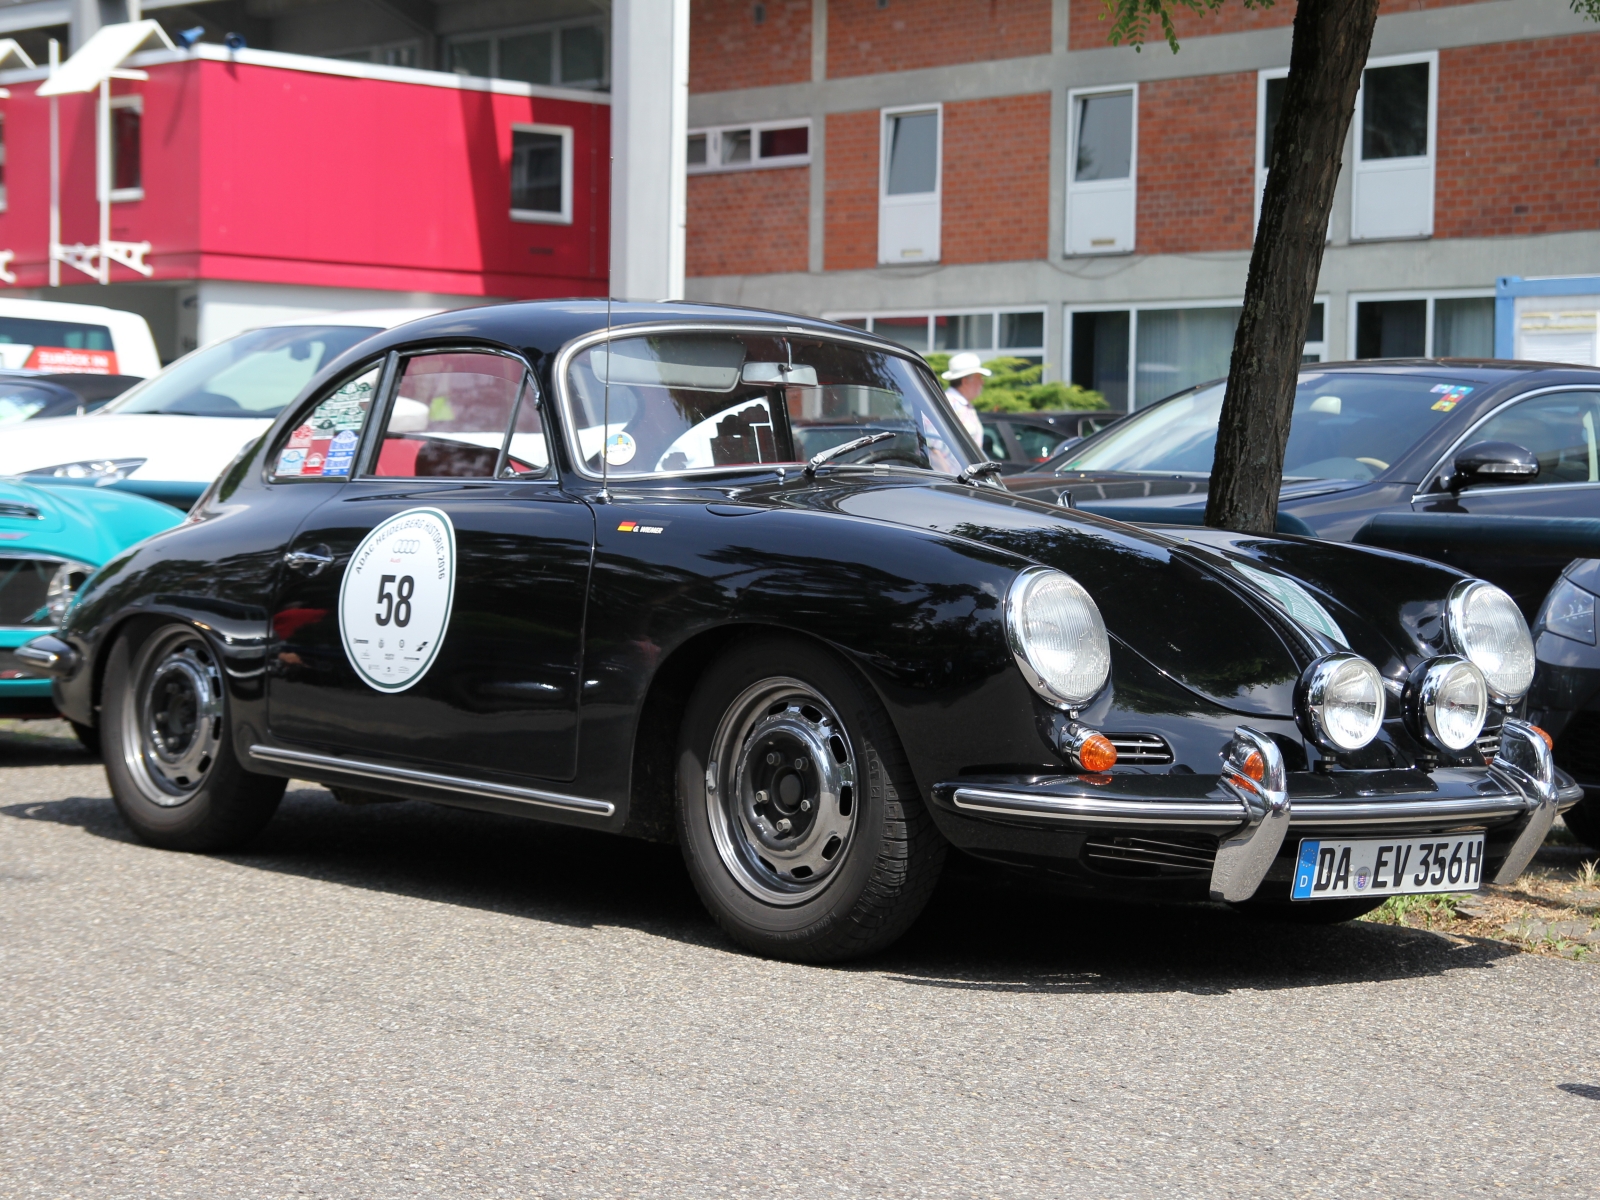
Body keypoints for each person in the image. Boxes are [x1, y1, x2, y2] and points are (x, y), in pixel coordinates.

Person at [940, 351, 988, 445]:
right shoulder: (948, 405)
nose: (982, 382)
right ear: (965, 381)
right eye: (979, 378)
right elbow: (933, 450)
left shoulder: (963, 405)